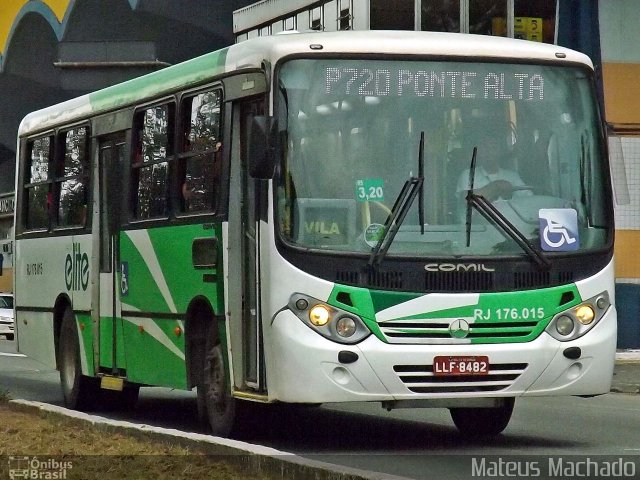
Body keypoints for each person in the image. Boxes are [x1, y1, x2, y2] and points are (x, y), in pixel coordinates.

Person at [456, 134, 531, 201]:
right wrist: (496, 186)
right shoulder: (468, 175)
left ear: (500, 151)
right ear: (479, 152)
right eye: (485, 148)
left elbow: (530, 200)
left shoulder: (512, 176)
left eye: (493, 147)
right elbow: (466, 199)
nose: (489, 152)